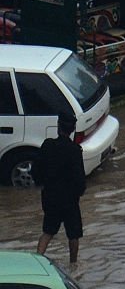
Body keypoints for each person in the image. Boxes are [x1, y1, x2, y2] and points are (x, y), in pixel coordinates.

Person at [35, 112, 86, 264]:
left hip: (50, 197)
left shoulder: (47, 145)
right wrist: (78, 192)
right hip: (69, 200)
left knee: (48, 232)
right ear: (72, 129)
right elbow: (80, 179)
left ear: (58, 127)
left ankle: (38, 261)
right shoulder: (75, 151)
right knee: (73, 234)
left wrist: (43, 184)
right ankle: (73, 265)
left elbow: (36, 171)